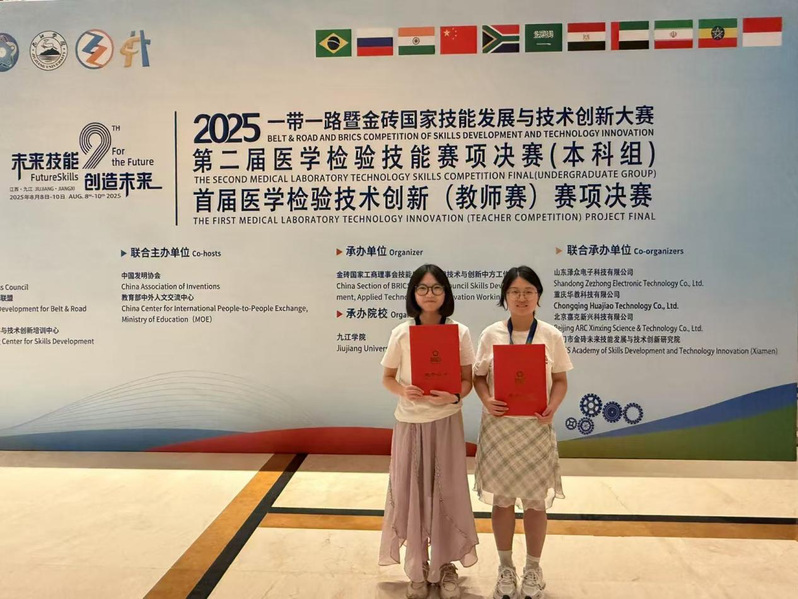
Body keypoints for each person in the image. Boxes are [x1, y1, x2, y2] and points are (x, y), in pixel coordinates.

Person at [379, 264, 479, 599]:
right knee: (413, 492)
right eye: (422, 288)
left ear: (446, 293)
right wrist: (402, 390)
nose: (429, 294)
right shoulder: (401, 332)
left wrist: (454, 396)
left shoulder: (459, 332)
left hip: (446, 421)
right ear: (413, 294)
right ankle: (418, 564)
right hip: (410, 422)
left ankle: (446, 564)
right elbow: (387, 378)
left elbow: (466, 380)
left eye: (436, 288)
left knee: (447, 492)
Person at [473, 266, 573, 599]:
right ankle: (505, 568)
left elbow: (560, 381)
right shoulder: (491, 334)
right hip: (500, 429)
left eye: (528, 291)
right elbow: (478, 377)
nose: (521, 297)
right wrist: (487, 399)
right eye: (514, 291)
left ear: (538, 296)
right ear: (505, 296)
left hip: (535, 427)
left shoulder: (550, 335)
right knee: (502, 502)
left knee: (535, 504)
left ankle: (533, 569)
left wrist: (552, 407)